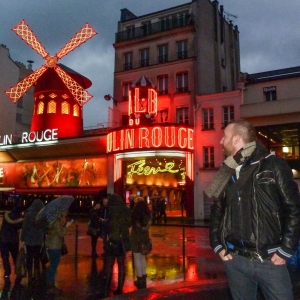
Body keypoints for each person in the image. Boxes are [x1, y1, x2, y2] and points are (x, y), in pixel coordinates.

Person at [208, 119, 300, 300]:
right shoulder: (225, 170)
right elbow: (217, 211)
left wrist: (286, 249)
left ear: (236, 139)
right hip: (235, 259)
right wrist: (217, 244)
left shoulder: (274, 165)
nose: (221, 141)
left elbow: (293, 208)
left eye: (224, 136)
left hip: (269, 260)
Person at [102, 194, 131, 298]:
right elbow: (129, 223)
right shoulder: (125, 211)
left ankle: (106, 288)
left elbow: (106, 227)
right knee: (121, 264)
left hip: (112, 240)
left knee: (109, 265)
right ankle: (120, 288)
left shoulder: (109, 210)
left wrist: (105, 241)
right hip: (122, 240)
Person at [45, 211, 73, 296]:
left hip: (51, 244)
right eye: (65, 211)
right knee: (53, 266)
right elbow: (61, 233)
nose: (67, 213)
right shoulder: (56, 221)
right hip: (55, 245)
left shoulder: (53, 220)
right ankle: (50, 287)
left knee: (53, 265)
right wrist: (67, 226)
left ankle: (50, 285)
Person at [20, 198, 45, 286]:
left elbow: (25, 227)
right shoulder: (42, 215)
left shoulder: (28, 214)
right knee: (37, 257)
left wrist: (22, 238)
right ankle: (36, 275)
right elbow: (44, 228)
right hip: (38, 240)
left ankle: (30, 276)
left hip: (29, 240)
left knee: (29, 257)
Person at [130, 198, 152, 289]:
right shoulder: (148, 215)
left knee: (137, 258)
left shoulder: (135, 215)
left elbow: (131, 224)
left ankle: (139, 279)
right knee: (143, 257)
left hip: (136, 237)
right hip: (145, 237)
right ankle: (143, 276)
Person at [0, 204, 24, 283]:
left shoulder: (6, 215)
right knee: (15, 257)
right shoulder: (20, 219)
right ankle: (17, 272)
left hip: (3, 239)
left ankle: (7, 273)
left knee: (5, 257)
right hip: (13, 240)